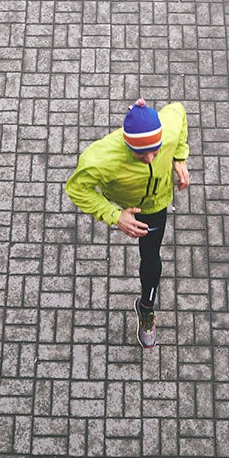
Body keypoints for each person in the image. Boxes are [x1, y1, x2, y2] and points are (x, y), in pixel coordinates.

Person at [65, 99, 190, 348]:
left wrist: (179, 156)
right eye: (141, 154)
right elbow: (76, 189)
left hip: (155, 207)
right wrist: (114, 215)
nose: (150, 158)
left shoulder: (170, 128)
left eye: (156, 150)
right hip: (127, 206)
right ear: (127, 144)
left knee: (152, 259)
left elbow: (179, 110)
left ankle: (145, 309)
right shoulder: (101, 158)